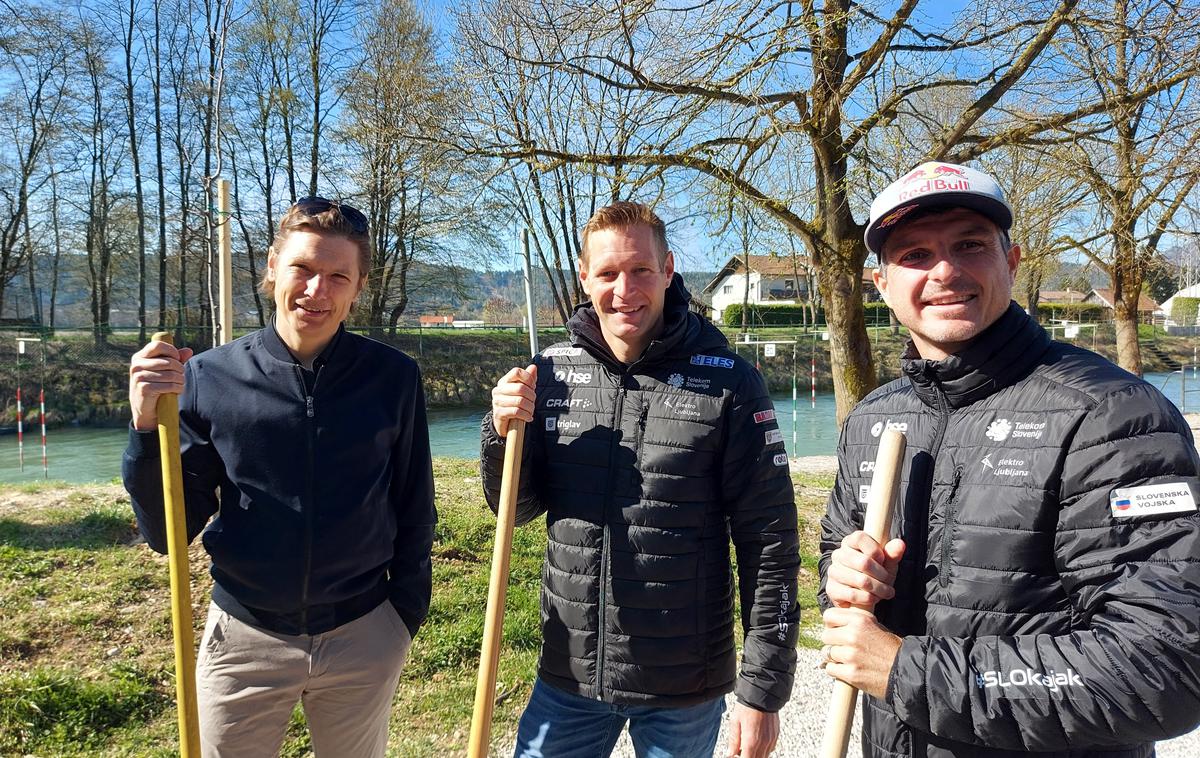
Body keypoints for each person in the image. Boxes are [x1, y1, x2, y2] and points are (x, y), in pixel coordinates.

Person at [819, 161, 1200, 757]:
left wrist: (903, 670)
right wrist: (842, 576)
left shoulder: (1114, 416)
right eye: (914, 254)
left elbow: (1166, 667)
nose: (944, 270)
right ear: (881, 284)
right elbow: (835, 557)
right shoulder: (874, 417)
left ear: (1012, 261)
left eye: (969, 245)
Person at [483, 201, 800, 758]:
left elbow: (769, 542)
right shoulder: (550, 373)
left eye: (640, 270)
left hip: (683, 685)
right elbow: (516, 505)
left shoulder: (729, 383)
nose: (624, 289)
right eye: (607, 273)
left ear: (669, 270)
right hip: (570, 675)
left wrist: (763, 690)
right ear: (585, 278)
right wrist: (500, 431)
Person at [123, 197, 436, 758]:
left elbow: (415, 502)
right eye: (303, 269)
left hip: (364, 633)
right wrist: (147, 427)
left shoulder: (394, 378)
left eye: (338, 275)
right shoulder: (207, 378)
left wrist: (402, 615)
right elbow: (167, 532)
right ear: (272, 267)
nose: (317, 290)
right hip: (244, 639)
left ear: (358, 286)